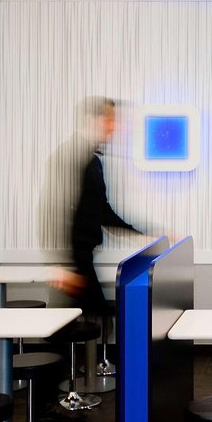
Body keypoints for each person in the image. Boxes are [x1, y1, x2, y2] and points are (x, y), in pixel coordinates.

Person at [40, 96, 140, 312]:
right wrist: (59, 265)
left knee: (95, 318)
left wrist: (142, 236)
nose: (113, 127)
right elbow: (51, 211)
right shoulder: (70, 156)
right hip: (71, 265)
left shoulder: (92, 160)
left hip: (81, 261)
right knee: (83, 321)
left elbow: (102, 211)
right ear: (90, 119)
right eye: (108, 120)